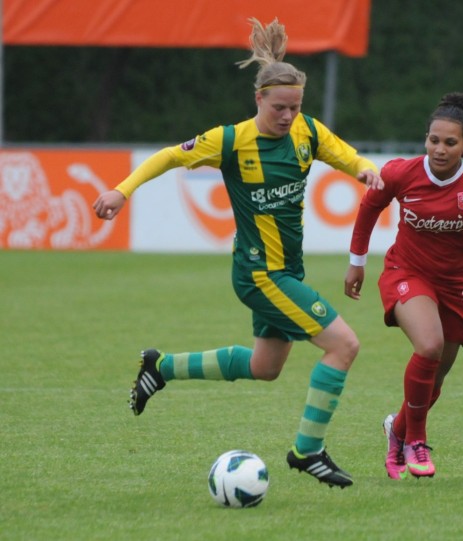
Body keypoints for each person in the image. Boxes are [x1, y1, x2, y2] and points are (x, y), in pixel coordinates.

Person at [92, 17, 383, 489]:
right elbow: (169, 155)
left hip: (287, 269)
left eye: (295, 107)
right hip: (260, 274)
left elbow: (348, 156)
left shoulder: (307, 132)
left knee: (264, 368)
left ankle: (160, 367)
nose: (288, 116)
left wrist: (366, 170)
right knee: (344, 345)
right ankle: (307, 452)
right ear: (259, 100)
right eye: (279, 108)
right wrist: (122, 191)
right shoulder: (230, 141)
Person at [345, 92, 463, 479]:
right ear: (425, 139)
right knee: (427, 346)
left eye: (449, 142)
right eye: (433, 140)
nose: (439, 149)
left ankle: (396, 432)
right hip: (406, 273)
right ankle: (416, 442)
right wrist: (357, 262)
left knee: (436, 378)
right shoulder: (400, 172)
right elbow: (368, 208)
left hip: (456, 285)